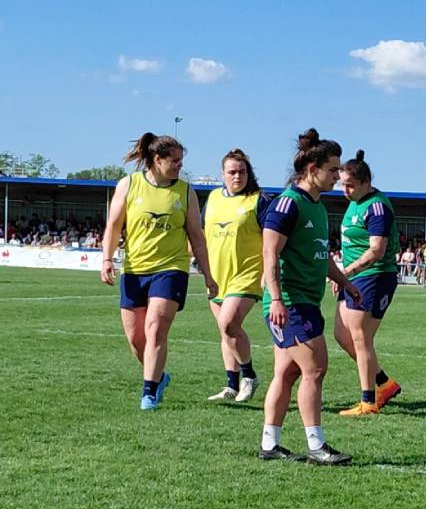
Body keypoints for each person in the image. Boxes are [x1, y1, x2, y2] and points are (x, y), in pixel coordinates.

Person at [258, 128, 358, 465]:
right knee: (315, 368)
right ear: (312, 168)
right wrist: (276, 300)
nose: (338, 175)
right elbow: (270, 255)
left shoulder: (316, 205)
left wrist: (344, 281)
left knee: (287, 374)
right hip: (289, 303)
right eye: (333, 169)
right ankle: (317, 446)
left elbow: (321, 254)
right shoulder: (288, 204)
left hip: (306, 302)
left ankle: (269, 445)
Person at [100, 132, 218, 411]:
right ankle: (160, 377)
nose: (180, 166)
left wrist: (209, 274)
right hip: (134, 270)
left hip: (171, 268)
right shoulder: (129, 185)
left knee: (155, 328)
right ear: (157, 159)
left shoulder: (185, 191)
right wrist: (107, 259)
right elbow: (114, 226)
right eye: (174, 160)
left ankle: (149, 392)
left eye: (181, 161)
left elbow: (197, 236)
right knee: (135, 339)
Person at [333, 150, 404, 416]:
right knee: (342, 335)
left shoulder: (377, 206)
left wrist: (345, 272)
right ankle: (385, 384)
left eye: (350, 185)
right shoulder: (355, 203)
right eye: (342, 184)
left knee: (361, 338)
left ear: (366, 182)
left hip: (373, 276)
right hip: (353, 277)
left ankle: (368, 401)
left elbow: (376, 251)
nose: (345, 190)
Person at [203, 149, 271, 402]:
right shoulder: (212, 198)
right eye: (232, 172)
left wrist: (268, 270)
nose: (237, 176)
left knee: (229, 324)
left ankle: (249, 376)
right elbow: (200, 234)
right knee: (225, 332)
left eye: (242, 171)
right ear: (222, 174)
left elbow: (272, 239)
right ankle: (231, 386)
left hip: (247, 274)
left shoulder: (259, 200)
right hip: (217, 275)